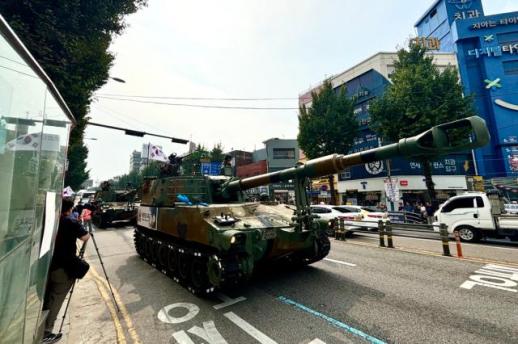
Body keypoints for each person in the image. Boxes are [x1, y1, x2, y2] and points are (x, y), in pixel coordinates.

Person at [42, 198, 90, 343]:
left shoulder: (54, 221)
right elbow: (85, 237)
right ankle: (46, 332)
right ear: (70, 209)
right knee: (57, 299)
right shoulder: (69, 222)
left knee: (51, 296)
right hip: (64, 268)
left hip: (52, 265)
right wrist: (81, 222)